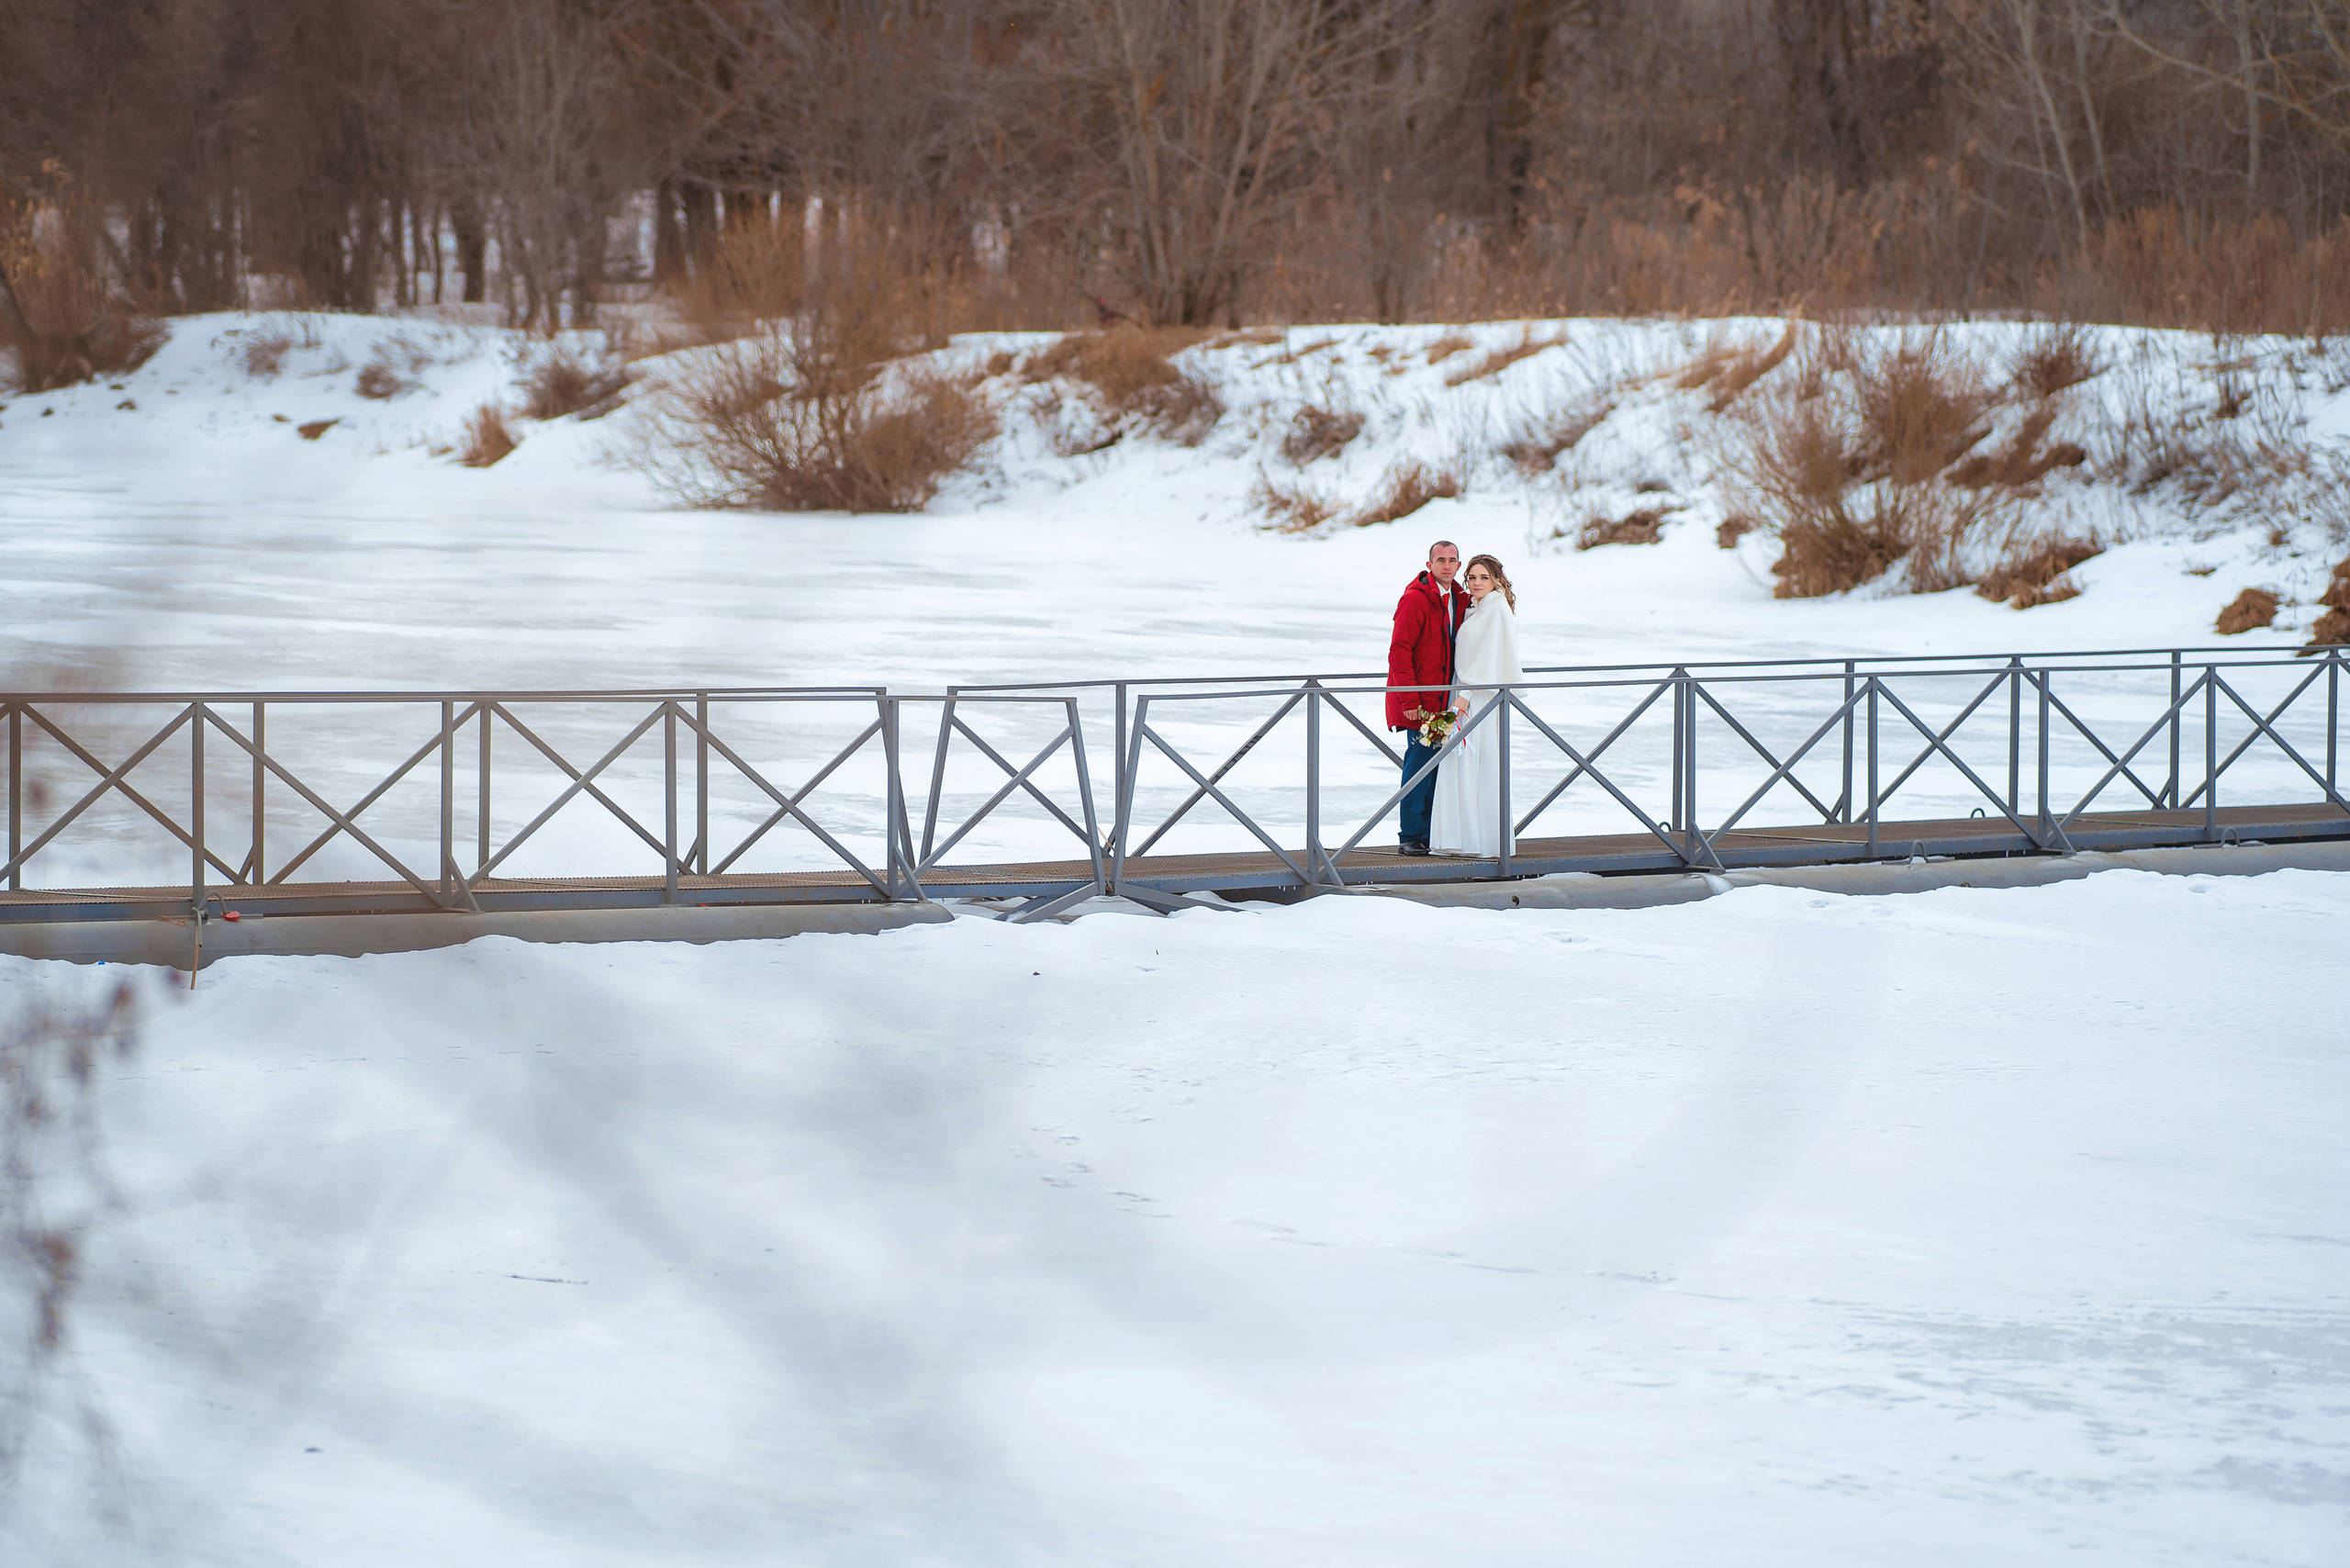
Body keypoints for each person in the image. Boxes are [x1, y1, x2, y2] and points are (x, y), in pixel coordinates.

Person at [1429, 554, 1525, 858]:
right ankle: (1463, 839)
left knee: (1476, 763)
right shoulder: (1476, 609)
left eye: (1483, 577)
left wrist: (1463, 697)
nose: (1476, 583)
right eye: (1471, 577)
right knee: (1461, 764)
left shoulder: (1496, 610)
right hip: (1466, 692)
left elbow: (1488, 659)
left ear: (1496, 580)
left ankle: (1482, 842)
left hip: (1478, 697)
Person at [1386, 541, 1468, 857]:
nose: (1446, 566)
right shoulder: (1415, 600)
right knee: (1418, 766)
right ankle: (1410, 836)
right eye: (1440, 560)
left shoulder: (1458, 598)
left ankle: (1429, 833)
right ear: (1429, 563)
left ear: (1458, 565)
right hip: (1419, 702)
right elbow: (1399, 652)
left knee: (1437, 767)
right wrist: (1408, 701)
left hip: (1446, 701)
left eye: (1452, 560)